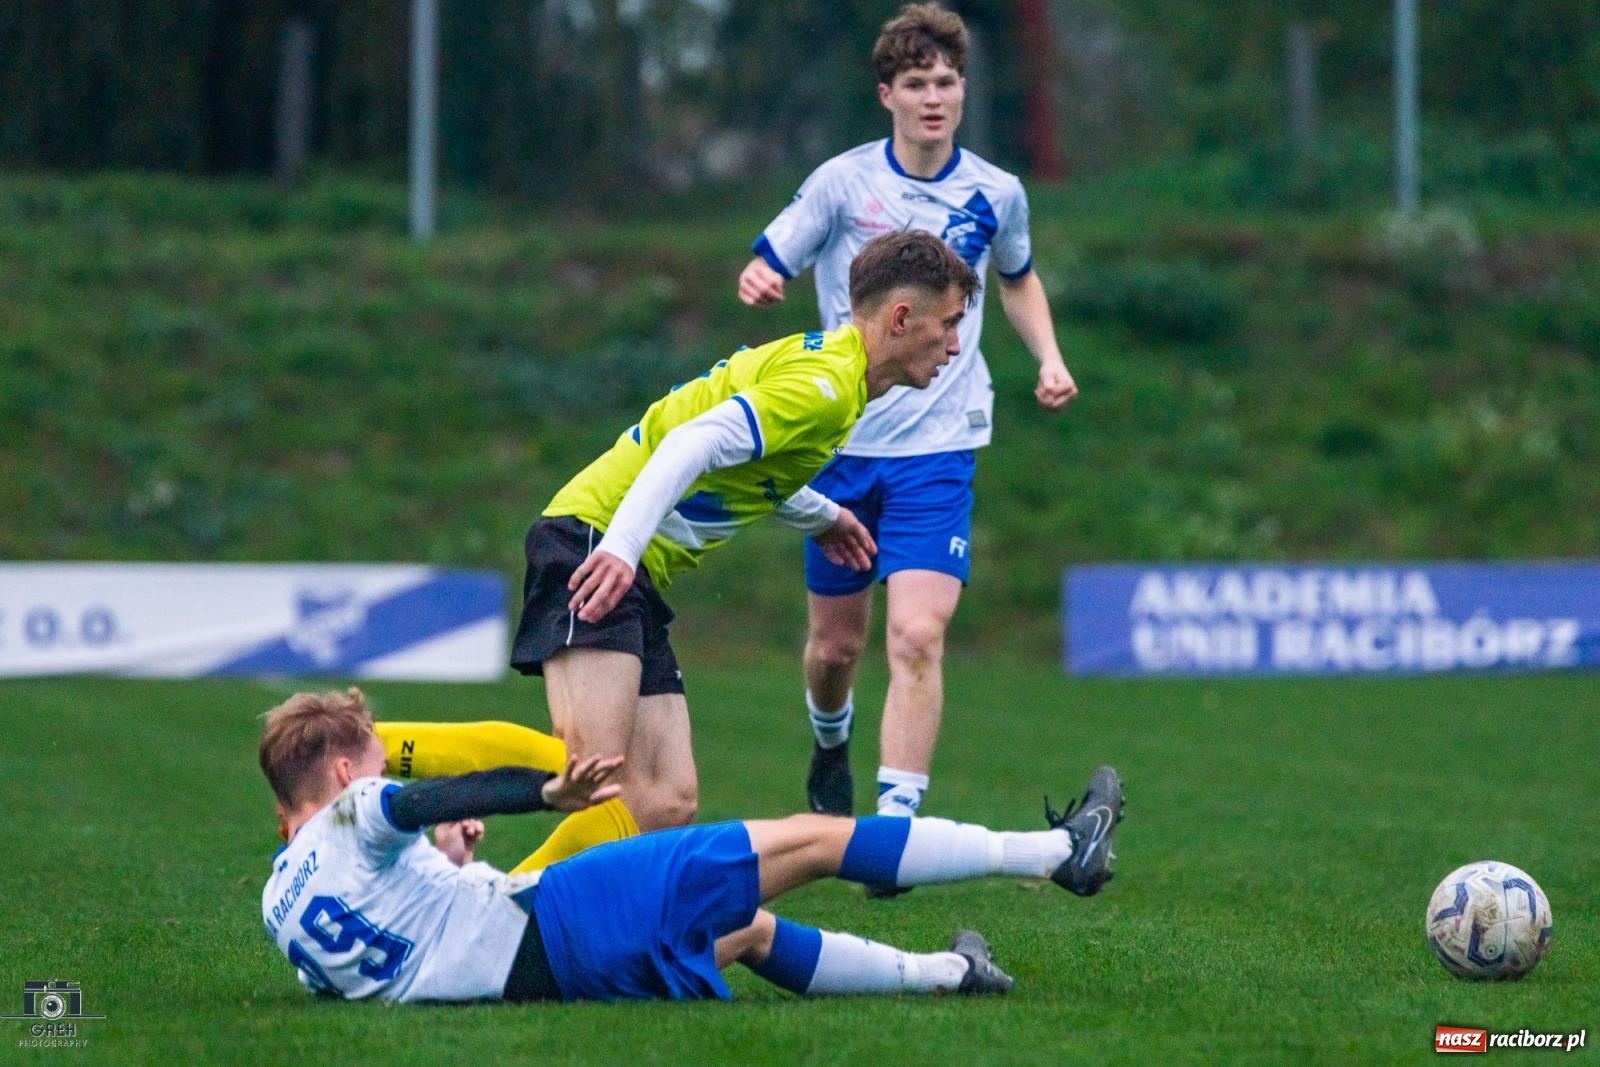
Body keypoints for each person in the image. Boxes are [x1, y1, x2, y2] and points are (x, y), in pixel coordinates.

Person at [478, 228, 979, 868]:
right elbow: (693, 442)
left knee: (665, 799)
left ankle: (508, 918)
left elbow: (744, 465)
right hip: (595, 545)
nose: (956, 345)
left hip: (626, 562)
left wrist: (821, 515)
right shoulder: (826, 387)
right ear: (902, 318)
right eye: (950, 324)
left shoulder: (833, 371)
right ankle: (449, 848)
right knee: (593, 783)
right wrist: (623, 549)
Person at [737, 4, 1078, 822]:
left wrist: (1049, 356)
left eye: (949, 81)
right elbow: (772, 249)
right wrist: (760, 274)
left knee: (918, 635)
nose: (936, 97)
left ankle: (893, 826)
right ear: (886, 92)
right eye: (918, 83)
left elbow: (1016, 276)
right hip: (842, 444)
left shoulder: (996, 191)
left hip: (940, 447)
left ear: (964, 90)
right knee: (836, 648)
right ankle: (830, 741)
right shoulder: (842, 183)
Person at [258, 688, 1125, 1003]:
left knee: (743, 931)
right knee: (809, 837)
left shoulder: (278, 908)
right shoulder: (356, 805)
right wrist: (543, 791)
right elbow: (424, 795)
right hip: (560, 919)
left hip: (544, 980)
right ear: (341, 773)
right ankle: (1053, 853)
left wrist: (444, 866)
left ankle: (946, 975)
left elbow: (376, 954)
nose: (377, 772)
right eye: (368, 761)